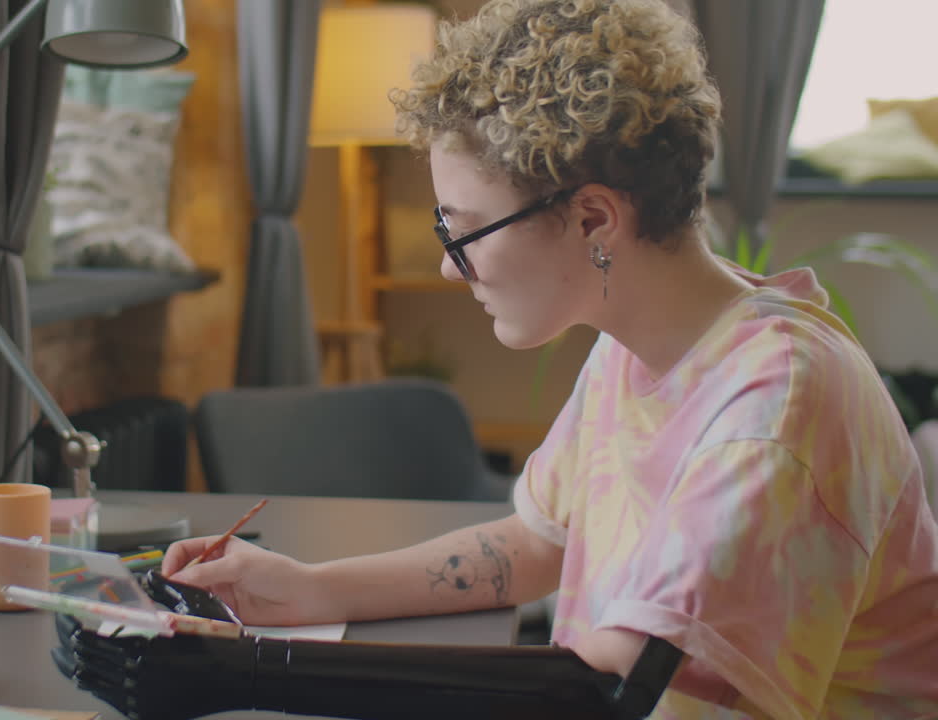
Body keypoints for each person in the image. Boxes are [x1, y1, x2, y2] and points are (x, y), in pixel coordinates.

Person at [69, 1, 938, 718]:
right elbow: (533, 544)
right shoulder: (643, 347)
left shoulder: (771, 415)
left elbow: (611, 690)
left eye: (464, 226)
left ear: (596, 219)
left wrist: (245, 672)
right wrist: (307, 590)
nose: (450, 264)